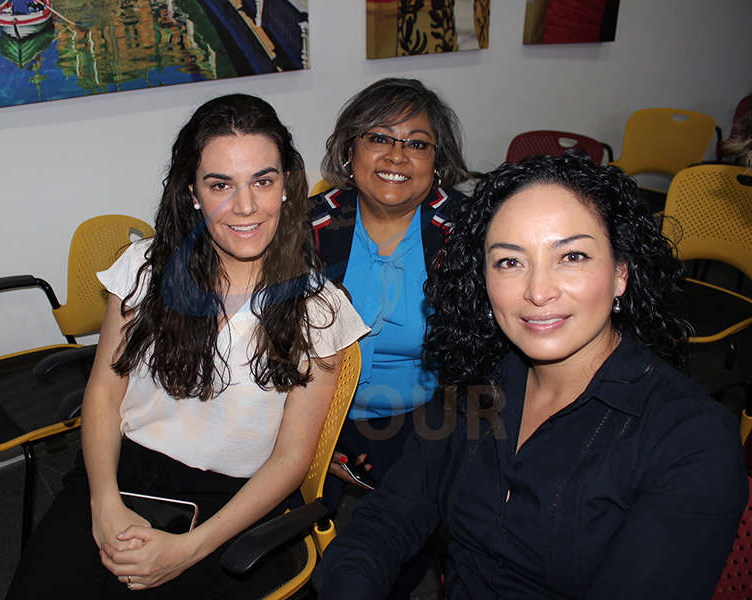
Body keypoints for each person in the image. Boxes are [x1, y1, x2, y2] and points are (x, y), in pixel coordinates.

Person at [318, 151, 748, 599]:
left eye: (572, 256)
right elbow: (385, 520)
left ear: (621, 273)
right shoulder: (477, 386)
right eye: (509, 261)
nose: (539, 291)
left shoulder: (690, 440)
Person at [6, 94, 368, 599]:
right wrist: (103, 503)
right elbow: (105, 394)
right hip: (123, 468)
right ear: (193, 192)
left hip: (234, 501)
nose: (245, 207)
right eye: (220, 184)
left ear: (286, 185)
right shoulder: (146, 269)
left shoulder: (318, 310)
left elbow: (290, 461)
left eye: (263, 181)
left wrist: (187, 551)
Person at [310, 77, 469, 597]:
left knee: (401, 540)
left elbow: (485, 356)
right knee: (294, 537)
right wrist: (310, 433)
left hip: (427, 413)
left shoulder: (468, 233)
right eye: (379, 137)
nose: (397, 155)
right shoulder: (305, 228)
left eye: (417, 143)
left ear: (437, 161)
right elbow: (266, 342)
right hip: (315, 405)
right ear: (349, 149)